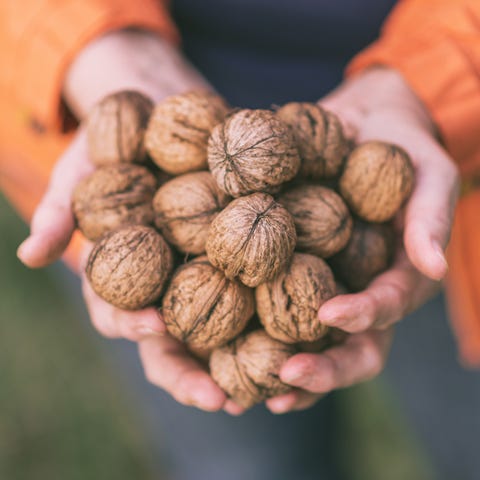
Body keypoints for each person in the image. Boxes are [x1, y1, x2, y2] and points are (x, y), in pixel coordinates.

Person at [1, 0, 479, 478]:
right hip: (129, 64)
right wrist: (95, 51)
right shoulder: (172, 197)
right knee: (242, 465)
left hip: (433, 161)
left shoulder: (313, 206)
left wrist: (431, 81)